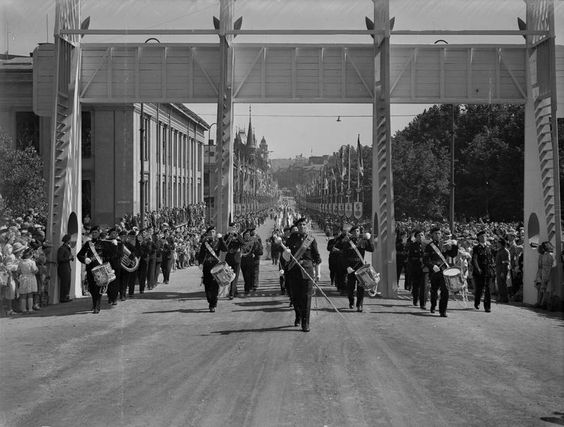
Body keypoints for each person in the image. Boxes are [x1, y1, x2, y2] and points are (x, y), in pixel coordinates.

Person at [282, 217, 321, 332]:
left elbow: (317, 258)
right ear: (297, 227)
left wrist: (317, 272)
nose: (302, 227)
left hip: (307, 272)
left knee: (307, 298)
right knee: (295, 298)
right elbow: (285, 256)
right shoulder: (291, 238)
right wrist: (286, 254)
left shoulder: (311, 239)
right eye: (300, 225)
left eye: (304, 225)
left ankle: (305, 323)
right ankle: (298, 315)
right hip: (294, 272)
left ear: (306, 226)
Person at [76, 225, 118, 313]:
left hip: (100, 270)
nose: (94, 234)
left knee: (98, 288)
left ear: (99, 233)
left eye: (96, 232)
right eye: (93, 233)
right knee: (91, 288)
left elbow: (111, 255)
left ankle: (97, 306)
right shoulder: (88, 244)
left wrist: (114, 246)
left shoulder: (104, 243)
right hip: (90, 269)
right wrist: (84, 259)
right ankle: (94, 303)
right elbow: (79, 255)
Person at [423, 226, 458, 317]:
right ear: (432, 235)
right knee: (434, 290)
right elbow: (425, 260)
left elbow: (452, 254)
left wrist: (455, 246)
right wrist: (432, 266)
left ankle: (443, 311)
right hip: (434, 271)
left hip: (444, 271)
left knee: (445, 291)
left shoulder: (445, 245)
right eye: (436, 233)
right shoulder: (429, 246)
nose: (438, 235)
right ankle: (433, 305)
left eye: (439, 233)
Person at [343, 225, 374, 312]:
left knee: (361, 287)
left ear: (360, 232)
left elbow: (372, 249)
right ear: (351, 233)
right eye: (354, 231)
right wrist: (347, 267)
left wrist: (368, 239)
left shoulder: (363, 242)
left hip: (360, 267)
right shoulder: (348, 242)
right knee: (350, 287)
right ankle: (351, 301)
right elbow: (343, 257)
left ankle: (359, 305)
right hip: (351, 268)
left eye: (357, 231)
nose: (356, 233)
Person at [197, 226, 227, 312]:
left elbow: (225, 249)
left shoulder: (218, 242)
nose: (212, 233)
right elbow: (201, 254)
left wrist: (221, 239)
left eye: (213, 232)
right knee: (207, 285)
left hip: (216, 266)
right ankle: (210, 300)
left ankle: (213, 304)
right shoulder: (205, 243)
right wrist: (200, 263)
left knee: (215, 285)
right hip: (206, 266)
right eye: (210, 232)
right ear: (208, 233)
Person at [472, 230, 495, 312]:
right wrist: (478, 268)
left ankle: (487, 307)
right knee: (479, 288)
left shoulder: (489, 248)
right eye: (482, 236)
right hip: (480, 271)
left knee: (488, 289)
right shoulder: (476, 248)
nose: (484, 237)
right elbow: (474, 259)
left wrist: (492, 268)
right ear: (478, 238)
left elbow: (491, 259)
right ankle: (477, 302)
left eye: (485, 236)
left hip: (487, 270)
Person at [224, 222, 244, 300]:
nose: (233, 229)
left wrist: (237, 236)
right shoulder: (227, 236)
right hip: (229, 257)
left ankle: (231, 293)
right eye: (232, 227)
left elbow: (243, 243)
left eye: (235, 227)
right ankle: (234, 290)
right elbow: (224, 245)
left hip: (236, 258)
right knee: (229, 275)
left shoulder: (238, 236)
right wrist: (229, 237)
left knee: (235, 276)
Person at [407, 229, 426, 309]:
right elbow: (410, 258)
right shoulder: (412, 245)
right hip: (416, 268)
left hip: (424, 268)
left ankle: (423, 303)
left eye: (422, 235)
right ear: (416, 237)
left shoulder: (426, 245)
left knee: (424, 286)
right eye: (419, 235)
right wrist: (418, 259)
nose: (421, 237)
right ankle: (415, 299)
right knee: (416, 285)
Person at [17, 247, 38, 314]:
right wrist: (37, 270)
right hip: (30, 277)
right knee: (30, 294)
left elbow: (18, 271)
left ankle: (23, 309)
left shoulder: (20, 262)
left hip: (23, 278)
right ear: (31, 255)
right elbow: (34, 270)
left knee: (23, 294)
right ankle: (30, 309)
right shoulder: (32, 262)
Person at [534, 241, 554, 309]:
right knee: (540, 288)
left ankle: (544, 303)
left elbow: (547, 267)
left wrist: (545, 277)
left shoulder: (549, 255)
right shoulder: (543, 255)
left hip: (546, 274)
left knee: (545, 289)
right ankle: (540, 302)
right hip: (542, 273)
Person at [57, 233, 74, 303]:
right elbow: (60, 259)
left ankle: (66, 296)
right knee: (64, 283)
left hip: (67, 266)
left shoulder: (67, 248)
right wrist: (68, 258)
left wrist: (71, 258)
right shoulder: (62, 248)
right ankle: (63, 297)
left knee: (68, 282)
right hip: (63, 267)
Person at [495, 239, 510, 303]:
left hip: (502, 270)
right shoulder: (500, 250)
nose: (497, 244)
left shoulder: (504, 251)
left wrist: (503, 272)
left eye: (498, 243)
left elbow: (505, 262)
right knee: (500, 284)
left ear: (501, 243)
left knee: (502, 284)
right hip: (499, 269)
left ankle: (504, 298)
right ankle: (501, 297)